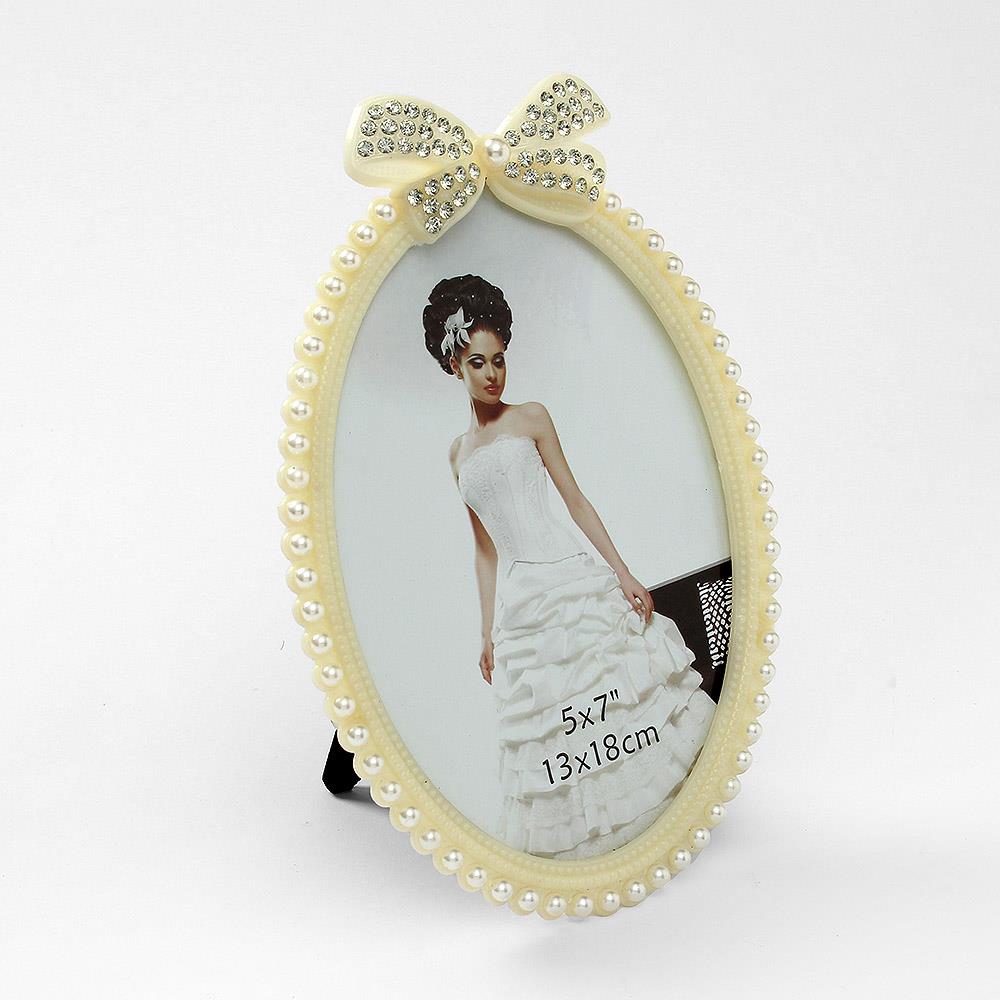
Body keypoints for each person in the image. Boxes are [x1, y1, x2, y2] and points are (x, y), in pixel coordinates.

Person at [424, 273, 716, 860]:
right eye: (478, 362)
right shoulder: (457, 455)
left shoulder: (531, 417)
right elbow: (485, 549)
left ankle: (662, 830)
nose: (492, 373)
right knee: (556, 729)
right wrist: (486, 631)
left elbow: (575, 500)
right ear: (455, 365)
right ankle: (600, 848)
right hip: (522, 604)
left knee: (620, 701)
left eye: (499, 360)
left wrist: (624, 573)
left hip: (570, 578)